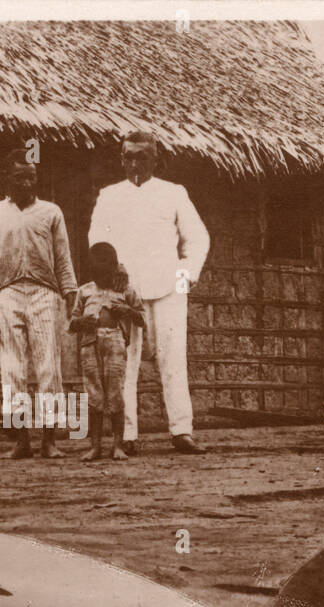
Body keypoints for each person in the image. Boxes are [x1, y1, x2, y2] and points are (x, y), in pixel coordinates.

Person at [88, 130, 210, 454]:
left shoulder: (174, 193)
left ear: (156, 158)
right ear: (121, 159)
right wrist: (112, 274)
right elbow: (97, 240)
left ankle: (181, 430)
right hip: (125, 291)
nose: (134, 163)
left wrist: (185, 279)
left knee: (173, 360)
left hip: (169, 288)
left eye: (142, 156)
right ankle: (126, 435)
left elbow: (197, 239)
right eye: (128, 156)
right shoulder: (109, 195)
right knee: (123, 362)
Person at [0, 150, 78, 459]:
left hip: (45, 294)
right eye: (19, 177)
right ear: (8, 179)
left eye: (31, 177)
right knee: (13, 369)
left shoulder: (51, 213)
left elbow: (63, 261)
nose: (26, 183)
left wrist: (70, 300)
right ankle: (22, 442)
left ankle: (49, 441)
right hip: (5, 295)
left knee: (49, 367)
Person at [69, 243, 143, 461]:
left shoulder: (125, 290)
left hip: (115, 344)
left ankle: (118, 445)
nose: (102, 279)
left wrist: (127, 310)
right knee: (94, 395)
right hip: (90, 345)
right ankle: (95, 446)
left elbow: (141, 318)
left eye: (106, 274)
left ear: (114, 269)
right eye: (97, 274)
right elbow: (72, 323)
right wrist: (83, 321)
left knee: (115, 395)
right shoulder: (84, 291)